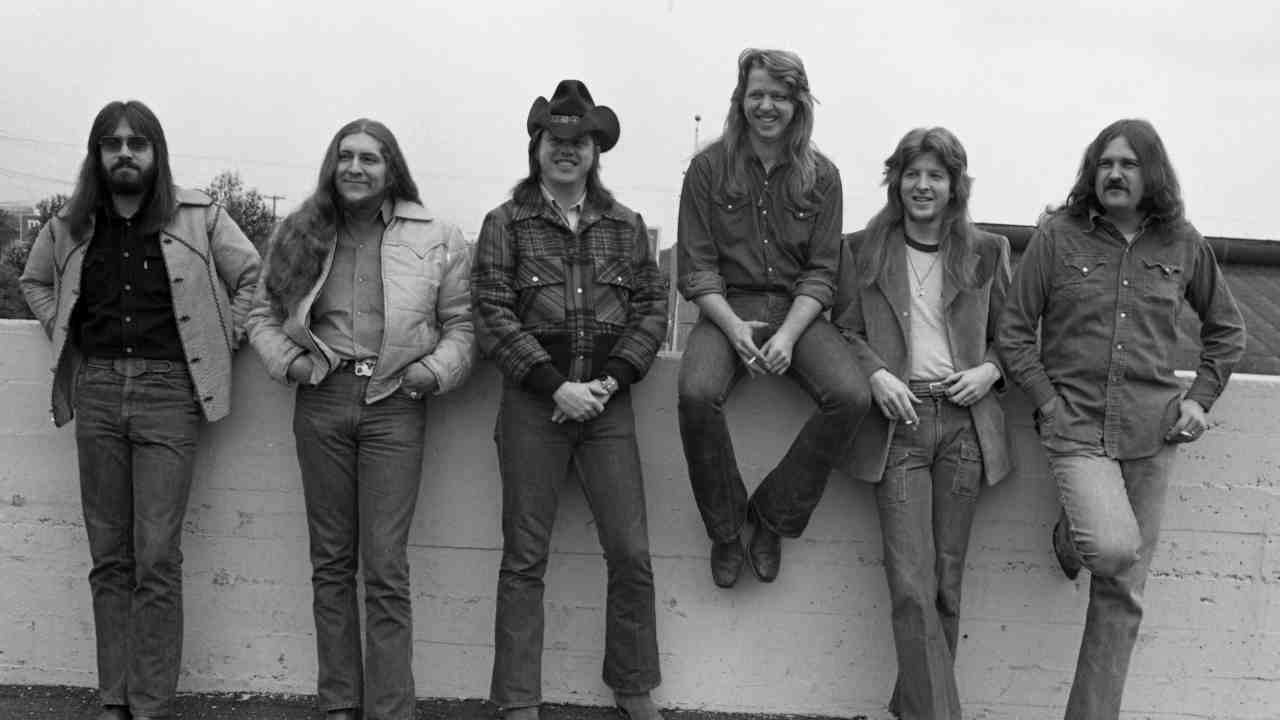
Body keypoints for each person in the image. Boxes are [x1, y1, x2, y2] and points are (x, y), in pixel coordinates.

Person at [20, 99, 261, 720]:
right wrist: (60, 327)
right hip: (96, 390)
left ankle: (149, 703)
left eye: (137, 143)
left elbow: (254, 279)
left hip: (170, 394)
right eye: (112, 143)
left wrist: (224, 336)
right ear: (96, 154)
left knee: (157, 556)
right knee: (109, 557)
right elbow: (34, 282)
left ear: (157, 152)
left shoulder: (200, 216)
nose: (124, 153)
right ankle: (113, 698)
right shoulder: (70, 224)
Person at [997, 118, 1245, 720]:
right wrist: (1047, 402)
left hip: (1151, 431)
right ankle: (1078, 529)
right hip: (1075, 425)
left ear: (1151, 172)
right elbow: (1013, 330)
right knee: (1111, 550)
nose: (1114, 173)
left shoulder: (1183, 243)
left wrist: (1199, 399)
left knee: (1122, 594)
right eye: (1106, 163)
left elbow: (1227, 330)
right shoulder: (1057, 237)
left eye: (1128, 164)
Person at [246, 118, 474, 720]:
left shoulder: (437, 235)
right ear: (332, 164)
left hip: (396, 403)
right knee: (330, 563)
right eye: (345, 156)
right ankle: (339, 704)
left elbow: (462, 324)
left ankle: (391, 709)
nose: (355, 167)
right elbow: (261, 314)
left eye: (369, 158)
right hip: (322, 398)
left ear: (390, 168)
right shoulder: (301, 231)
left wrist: (433, 373)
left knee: (386, 566)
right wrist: (291, 364)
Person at [471, 79, 669, 720]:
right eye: (554, 138)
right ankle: (517, 699)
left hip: (608, 407)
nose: (566, 149)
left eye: (578, 140)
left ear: (594, 150)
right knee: (524, 558)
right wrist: (555, 385)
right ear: (536, 146)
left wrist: (607, 383)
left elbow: (652, 309)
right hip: (534, 407)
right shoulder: (504, 223)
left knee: (631, 552)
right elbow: (492, 313)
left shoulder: (626, 226)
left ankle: (633, 685)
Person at [833, 127, 1011, 720]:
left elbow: (1015, 337)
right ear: (896, 181)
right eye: (912, 173)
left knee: (945, 585)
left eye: (936, 175)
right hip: (900, 426)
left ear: (955, 185)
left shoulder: (987, 252)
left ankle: (915, 709)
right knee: (910, 583)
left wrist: (989, 371)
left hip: (964, 428)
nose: (923, 185)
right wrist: (875, 374)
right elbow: (843, 330)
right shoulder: (862, 250)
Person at [676, 48, 871, 588]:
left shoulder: (823, 176)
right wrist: (733, 327)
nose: (767, 106)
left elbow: (823, 272)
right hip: (727, 306)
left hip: (797, 311)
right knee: (695, 394)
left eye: (780, 96)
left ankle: (773, 516)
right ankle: (725, 527)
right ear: (740, 100)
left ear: (798, 104)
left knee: (851, 396)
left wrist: (787, 335)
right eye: (757, 94)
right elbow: (695, 267)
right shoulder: (708, 169)